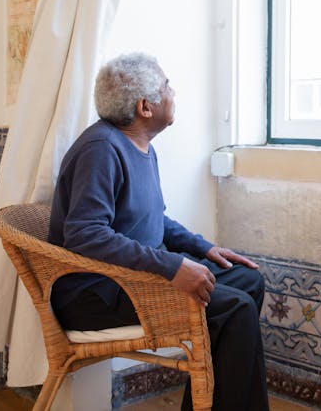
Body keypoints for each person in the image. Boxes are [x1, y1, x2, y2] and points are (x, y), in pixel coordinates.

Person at [47, 53, 269, 411]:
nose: (173, 92)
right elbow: (85, 235)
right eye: (166, 86)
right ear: (145, 106)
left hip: (133, 281)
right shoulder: (101, 149)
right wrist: (171, 267)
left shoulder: (140, 146)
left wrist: (204, 248)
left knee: (245, 280)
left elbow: (154, 220)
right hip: (97, 294)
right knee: (235, 310)